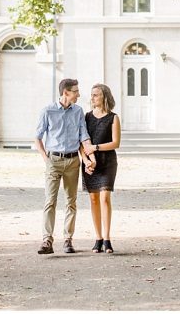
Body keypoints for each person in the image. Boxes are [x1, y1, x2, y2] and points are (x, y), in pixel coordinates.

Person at [33, 78, 96, 254]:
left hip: (73, 161)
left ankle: (68, 240)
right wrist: (46, 159)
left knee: (71, 202)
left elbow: (84, 136)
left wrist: (90, 157)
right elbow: (37, 137)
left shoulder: (78, 111)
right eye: (76, 91)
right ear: (66, 92)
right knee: (50, 201)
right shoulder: (48, 111)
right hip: (53, 160)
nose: (79, 94)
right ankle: (47, 241)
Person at [79, 83, 121, 254]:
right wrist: (86, 160)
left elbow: (116, 143)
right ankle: (98, 238)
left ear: (104, 96)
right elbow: (81, 142)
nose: (93, 97)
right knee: (94, 200)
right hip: (90, 163)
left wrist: (95, 148)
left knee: (104, 198)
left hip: (108, 162)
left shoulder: (113, 117)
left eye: (96, 94)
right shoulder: (86, 117)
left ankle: (107, 238)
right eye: (92, 95)